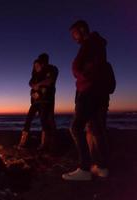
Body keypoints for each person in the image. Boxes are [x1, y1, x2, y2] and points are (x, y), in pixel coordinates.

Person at [62, 20, 114, 181]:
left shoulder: (91, 44)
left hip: (89, 91)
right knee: (96, 128)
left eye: (74, 34)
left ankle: (84, 169)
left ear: (82, 30)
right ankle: (102, 167)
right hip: (96, 91)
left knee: (76, 128)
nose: (73, 38)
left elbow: (87, 69)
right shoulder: (97, 44)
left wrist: (79, 74)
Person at [18, 53, 58, 152]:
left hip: (45, 101)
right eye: (35, 66)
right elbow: (30, 83)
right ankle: (23, 142)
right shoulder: (35, 74)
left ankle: (45, 144)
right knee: (28, 119)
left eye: (38, 64)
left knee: (45, 121)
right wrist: (33, 89)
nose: (37, 67)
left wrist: (38, 85)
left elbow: (50, 81)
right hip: (35, 102)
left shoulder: (51, 69)